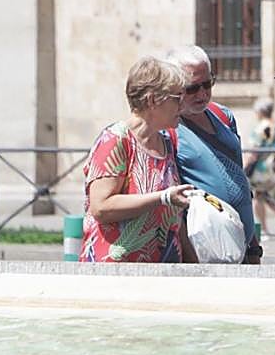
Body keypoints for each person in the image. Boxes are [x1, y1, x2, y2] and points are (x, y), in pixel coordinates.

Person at [81, 57, 196, 263]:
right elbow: (101, 207)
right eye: (177, 98)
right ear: (152, 100)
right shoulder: (116, 139)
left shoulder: (167, 142)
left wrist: (194, 265)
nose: (183, 105)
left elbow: (173, 218)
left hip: (164, 272)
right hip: (116, 272)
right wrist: (163, 197)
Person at [165, 45, 262, 264]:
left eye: (207, 84)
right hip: (207, 250)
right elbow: (173, 205)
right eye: (192, 88)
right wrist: (193, 261)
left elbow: (239, 180)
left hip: (243, 246)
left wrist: (254, 247)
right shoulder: (168, 129)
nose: (202, 93)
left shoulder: (224, 115)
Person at [245, 97, 275, 241]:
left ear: (259, 111)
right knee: (265, 195)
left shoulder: (262, 127)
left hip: (263, 168)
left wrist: (245, 166)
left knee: (259, 195)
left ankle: (265, 229)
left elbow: (254, 150)